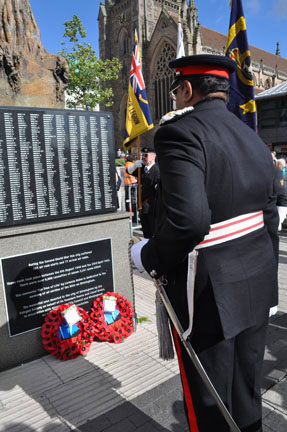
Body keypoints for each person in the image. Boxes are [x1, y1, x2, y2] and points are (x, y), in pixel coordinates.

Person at [131, 54, 279, 432]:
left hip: (210, 291)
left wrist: (147, 256)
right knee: (246, 389)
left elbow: (189, 221)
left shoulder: (180, 133)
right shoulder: (251, 135)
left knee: (209, 399)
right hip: (258, 279)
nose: (176, 96)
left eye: (177, 89)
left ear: (188, 90)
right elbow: (270, 214)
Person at [127, 147, 160, 238]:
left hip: (152, 207)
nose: (143, 157)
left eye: (146, 155)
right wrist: (135, 165)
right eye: (142, 155)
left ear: (153, 157)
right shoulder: (142, 169)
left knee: (153, 232)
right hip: (142, 207)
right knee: (146, 232)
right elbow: (128, 171)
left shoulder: (157, 170)